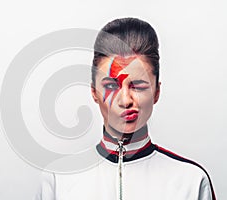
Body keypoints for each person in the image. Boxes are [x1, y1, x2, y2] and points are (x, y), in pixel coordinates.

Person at [34, 17, 216, 200]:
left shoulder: (191, 181)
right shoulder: (59, 179)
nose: (125, 100)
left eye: (138, 86)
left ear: (156, 92)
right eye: (111, 86)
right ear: (94, 92)